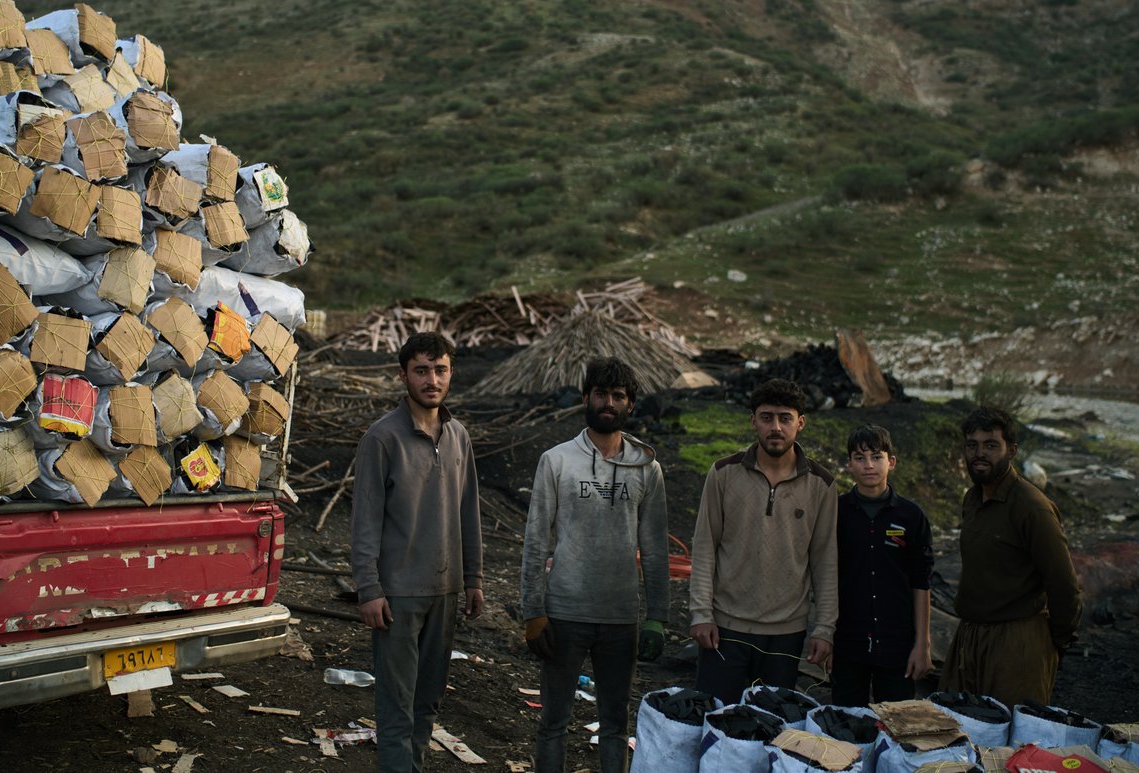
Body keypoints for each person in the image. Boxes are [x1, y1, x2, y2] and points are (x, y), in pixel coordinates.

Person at [520, 357, 669, 773]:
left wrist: (657, 615)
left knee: (616, 725)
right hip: (564, 613)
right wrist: (533, 611)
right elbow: (536, 541)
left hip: (621, 617)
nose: (608, 402)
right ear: (585, 398)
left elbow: (655, 547)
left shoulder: (647, 467)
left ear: (631, 405)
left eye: (618, 396)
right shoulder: (556, 460)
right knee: (553, 722)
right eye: (600, 394)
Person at [350, 331, 484, 772]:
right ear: (403, 375)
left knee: (428, 702)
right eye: (422, 370)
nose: (432, 380)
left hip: (445, 591)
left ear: (451, 373)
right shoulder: (382, 438)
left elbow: (469, 511)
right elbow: (365, 521)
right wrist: (369, 589)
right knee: (396, 707)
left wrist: (473, 579)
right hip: (399, 596)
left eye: (440, 369)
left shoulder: (459, 435)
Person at [689, 378, 838, 705]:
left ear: (800, 423)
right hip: (725, 629)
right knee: (715, 723)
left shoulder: (821, 485)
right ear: (752, 420)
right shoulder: (723, 474)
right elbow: (704, 548)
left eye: (785, 418)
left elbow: (825, 561)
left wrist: (824, 628)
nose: (775, 427)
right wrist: (701, 613)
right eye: (766, 417)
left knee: (771, 730)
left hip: (786, 634)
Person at [940, 406, 1082, 707]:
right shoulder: (972, 499)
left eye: (991, 445)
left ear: (1011, 450)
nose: (980, 454)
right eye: (972, 445)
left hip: (1017, 644)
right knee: (959, 731)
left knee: (1011, 741)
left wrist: (1052, 645)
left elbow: (1064, 586)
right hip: (970, 637)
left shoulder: (1032, 507)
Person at [831, 424, 934, 706]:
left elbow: (921, 581)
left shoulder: (911, 516)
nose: (868, 465)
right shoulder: (835, 512)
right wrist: (825, 637)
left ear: (891, 462)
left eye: (876, 457)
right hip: (848, 642)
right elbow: (823, 577)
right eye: (860, 458)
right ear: (849, 464)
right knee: (846, 726)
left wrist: (922, 645)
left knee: (897, 725)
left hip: (897, 643)